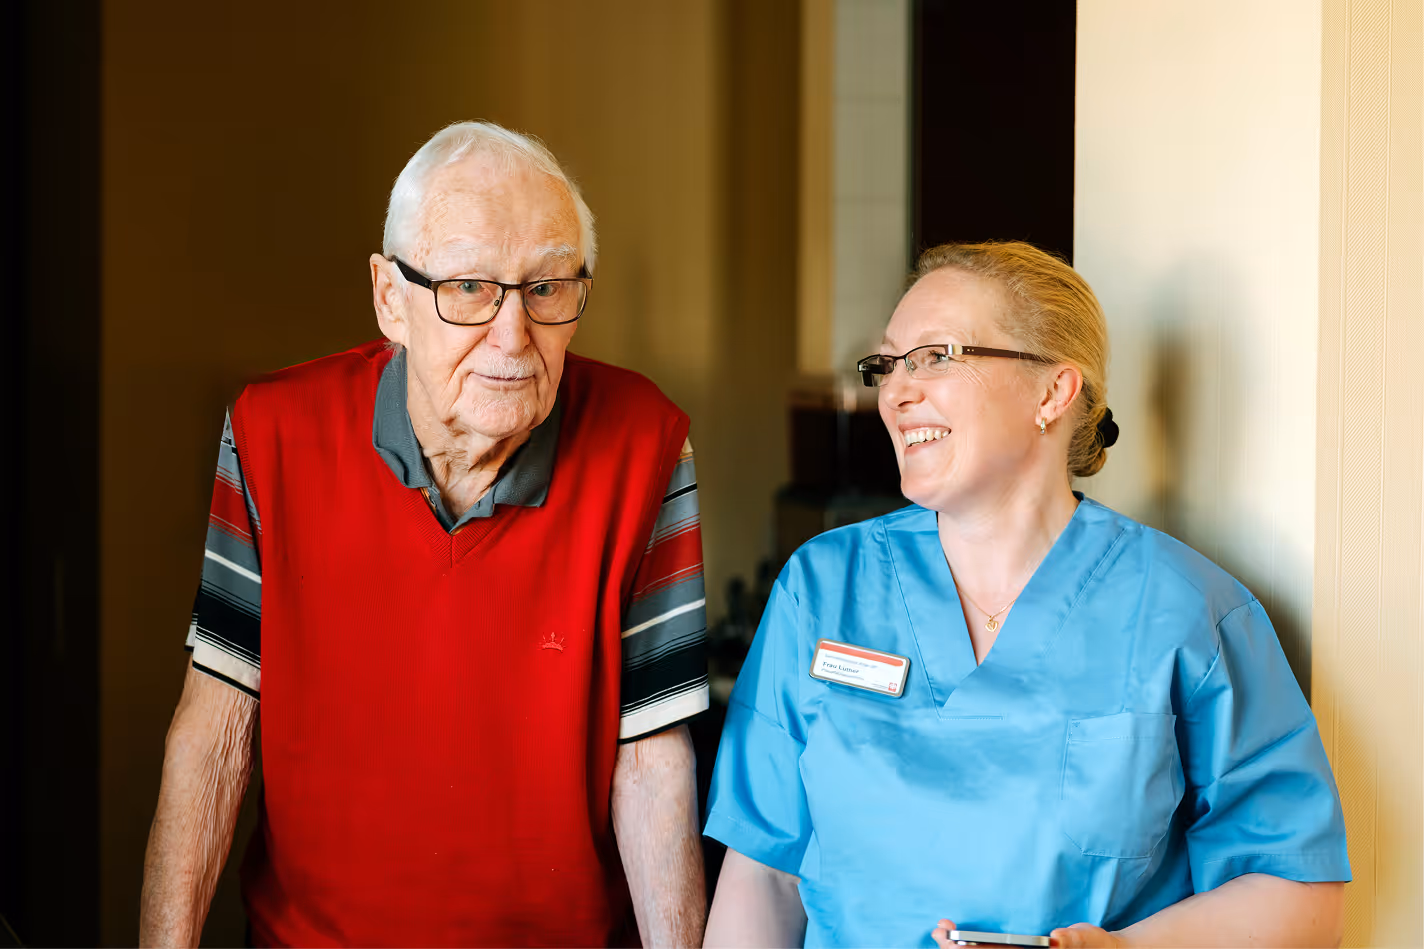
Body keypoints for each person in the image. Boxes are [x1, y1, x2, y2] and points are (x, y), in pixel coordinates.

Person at [140, 122, 710, 948]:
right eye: (470, 288)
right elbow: (215, 729)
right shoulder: (273, 435)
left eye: (547, 287)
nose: (514, 336)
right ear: (389, 298)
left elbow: (652, 757)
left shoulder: (646, 445)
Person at [701, 242, 1349, 948]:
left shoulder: (1186, 612)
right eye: (888, 364)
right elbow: (764, 874)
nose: (895, 391)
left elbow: (1301, 892)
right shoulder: (823, 587)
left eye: (937, 355)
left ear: (1053, 392)